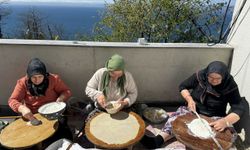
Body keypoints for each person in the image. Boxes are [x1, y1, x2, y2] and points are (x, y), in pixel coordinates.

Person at [141, 61, 244, 149]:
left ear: (224, 76)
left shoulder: (230, 85)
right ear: (206, 74)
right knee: (175, 120)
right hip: (194, 110)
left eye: (218, 78)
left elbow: (238, 108)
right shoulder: (200, 76)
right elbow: (183, 86)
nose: (214, 80)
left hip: (214, 117)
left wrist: (225, 121)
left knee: (222, 136)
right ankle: (157, 140)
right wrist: (189, 99)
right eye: (211, 77)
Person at [8, 58, 73, 146]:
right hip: (33, 115)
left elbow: (67, 91)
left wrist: (60, 99)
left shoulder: (53, 79)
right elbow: (12, 100)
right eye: (33, 77)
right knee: (25, 140)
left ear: (45, 75)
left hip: (52, 113)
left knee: (61, 136)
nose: (37, 80)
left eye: (40, 77)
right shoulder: (22, 83)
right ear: (28, 76)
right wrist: (22, 108)